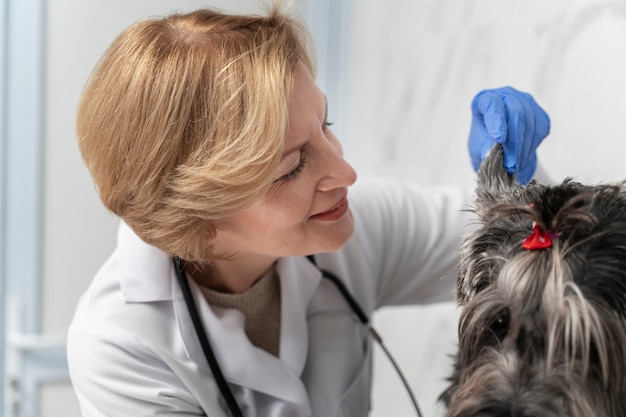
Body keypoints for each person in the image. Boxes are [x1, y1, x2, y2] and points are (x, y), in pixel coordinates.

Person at [67, 4, 550, 417]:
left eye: (326, 123)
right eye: (293, 166)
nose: (345, 172)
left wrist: (510, 175)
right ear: (200, 224)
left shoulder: (354, 223)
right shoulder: (119, 346)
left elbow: (533, 245)